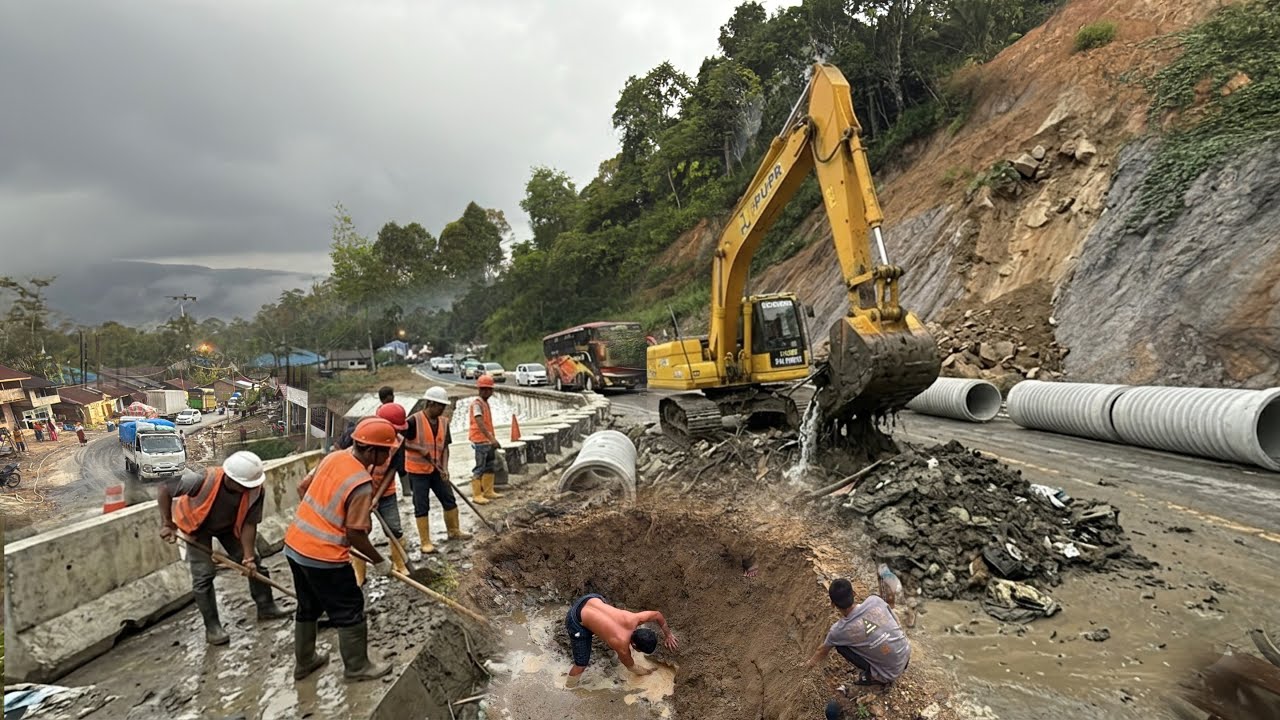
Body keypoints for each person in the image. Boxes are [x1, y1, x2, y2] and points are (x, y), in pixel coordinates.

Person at [285, 417, 397, 683]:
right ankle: (357, 667)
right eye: (387, 450)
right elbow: (355, 533)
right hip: (324, 558)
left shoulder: (334, 457)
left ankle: (305, 663)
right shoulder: (361, 483)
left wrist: (323, 523)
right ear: (371, 451)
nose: (389, 455)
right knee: (350, 608)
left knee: (308, 606)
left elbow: (304, 488)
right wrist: (379, 561)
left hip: (294, 545)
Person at [157, 451, 292, 645]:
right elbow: (164, 487)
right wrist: (167, 523)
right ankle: (212, 628)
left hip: (229, 526)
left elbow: (249, 524)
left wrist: (248, 559)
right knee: (204, 575)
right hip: (197, 526)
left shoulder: (255, 489)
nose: (247, 489)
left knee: (255, 562)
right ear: (230, 478)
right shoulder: (202, 479)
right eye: (243, 486)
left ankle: (266, 607)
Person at [343, 402, 410, 585]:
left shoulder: (399, 441)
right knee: (359, 532)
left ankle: (399, 565)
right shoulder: (357, 432)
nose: (394, 434)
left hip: (385, 492)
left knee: (394, 529)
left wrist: (377, 496)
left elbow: (392, 470)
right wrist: (364, 497)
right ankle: (359, 575)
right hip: (356, 492)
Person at [805, 578, 911, 686]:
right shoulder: (875, 600)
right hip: (906, 655)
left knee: (841, 646)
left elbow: (822, 651)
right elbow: (896, 621)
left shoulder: (838, 631)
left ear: (832, 604)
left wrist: (807, 666)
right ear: (854, 593)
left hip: (888, 674)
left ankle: (872, 676)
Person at [402, 386, 471, 552]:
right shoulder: (413, 420)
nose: (442, 409)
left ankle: (454, 531)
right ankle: (425, 542)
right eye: (440, 406)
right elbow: (399, 441)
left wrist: (445, 468)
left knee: (449, 499)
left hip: (437, 470)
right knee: (421, 504)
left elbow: (445, 447)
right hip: (417, 471)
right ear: (430, 403)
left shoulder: (444, 422)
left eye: (443, 406)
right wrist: (419, 449)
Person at [564, 594, 678, 687]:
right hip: (574, 620)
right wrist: (648, 671)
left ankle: (593, 624)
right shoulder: (622, 646)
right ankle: (569, 687)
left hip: (591, 598)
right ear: (633, 644)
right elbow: (631, 667)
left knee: (605, 615)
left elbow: (657, 615)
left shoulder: (635, 618)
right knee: (581, 664)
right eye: (638, 650)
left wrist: (668, 634)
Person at [468, 375, 503, 504]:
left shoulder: (484, 403)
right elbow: (480, 422)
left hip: (487, 441)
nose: (488, 392)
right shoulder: (477, 404)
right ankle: (477, 494)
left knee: (489, 466)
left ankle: (488, 491)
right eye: (486, 389)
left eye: (489, 389)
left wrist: (491, 439)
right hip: (480, 440)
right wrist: (492, 439)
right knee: (480, 467)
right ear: (481, 390)